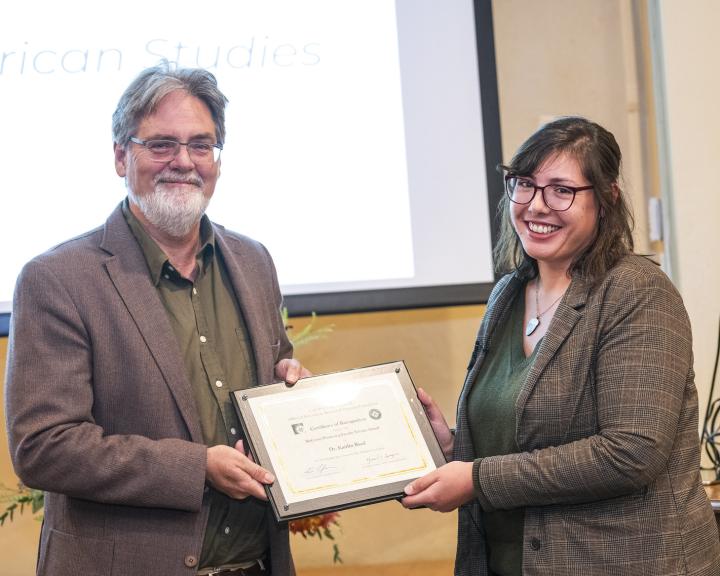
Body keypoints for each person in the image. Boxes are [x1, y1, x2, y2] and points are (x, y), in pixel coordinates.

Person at [5, 63, 310, 576]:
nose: (184, 162)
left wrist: (292, 395)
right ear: (122, 156)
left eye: (201, 145)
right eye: (162, 144)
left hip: (256, 563)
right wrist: (198, 468)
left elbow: (277, 371)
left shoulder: (254, 261)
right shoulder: (56, 278)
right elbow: (43, 447)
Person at [401, 117, 720, 575]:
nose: (536, 205)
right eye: (525, 185)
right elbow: (525, 435)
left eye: (561, 190)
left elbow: (631, 452)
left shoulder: (636, 291)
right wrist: (454, 449)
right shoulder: (508, 294)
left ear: (606, 198)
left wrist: (475, 478)